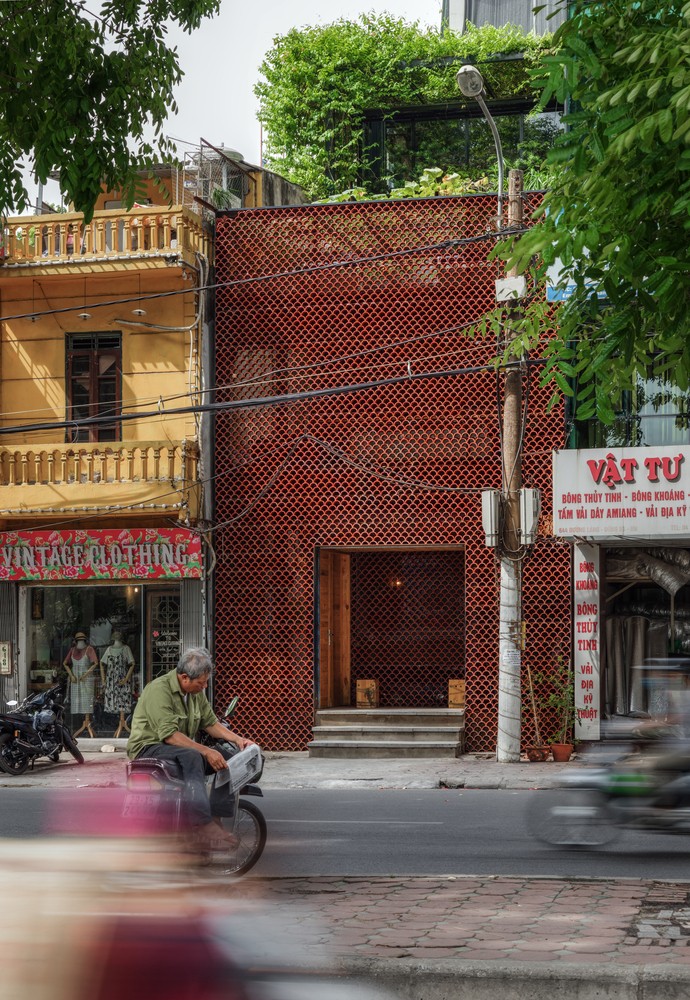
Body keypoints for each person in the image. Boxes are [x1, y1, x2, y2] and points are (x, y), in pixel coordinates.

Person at [126, 647, 254, 849]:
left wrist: (239, 739)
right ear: (184, 677)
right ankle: (203, 823)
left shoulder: (195, 693)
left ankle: (215, 817)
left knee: (228, 760)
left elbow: (210, 723)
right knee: (194, 756)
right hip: (149, 747)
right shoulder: (159, 690)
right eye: (200, 683)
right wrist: (205, 750)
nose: (203, 687)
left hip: (176, 748)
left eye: (205, 683)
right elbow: (169, 735)